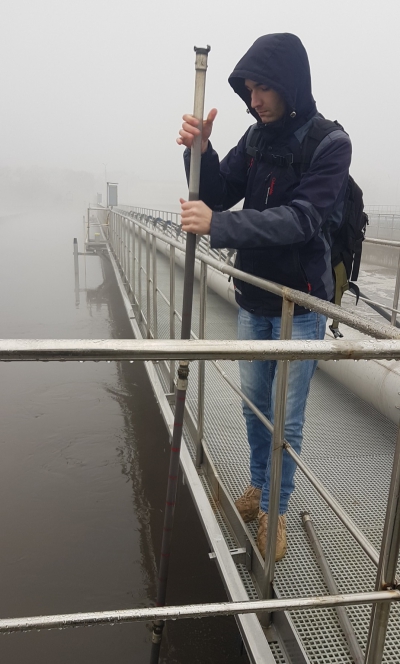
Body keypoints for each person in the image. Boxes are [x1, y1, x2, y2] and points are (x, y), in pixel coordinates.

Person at [177, 33, 351, 561]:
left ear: (289, 84)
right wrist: (199, 152)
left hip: (300, 306)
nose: (253, 101)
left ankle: (276, 510)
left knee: (285, 418)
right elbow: (214, 193)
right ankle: (259, 486)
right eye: (248, 90)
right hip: (253, 298)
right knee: (255, 407)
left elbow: (302, 220)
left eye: (263, 89)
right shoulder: (254, 139)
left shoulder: (330, 144)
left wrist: (220, 225)